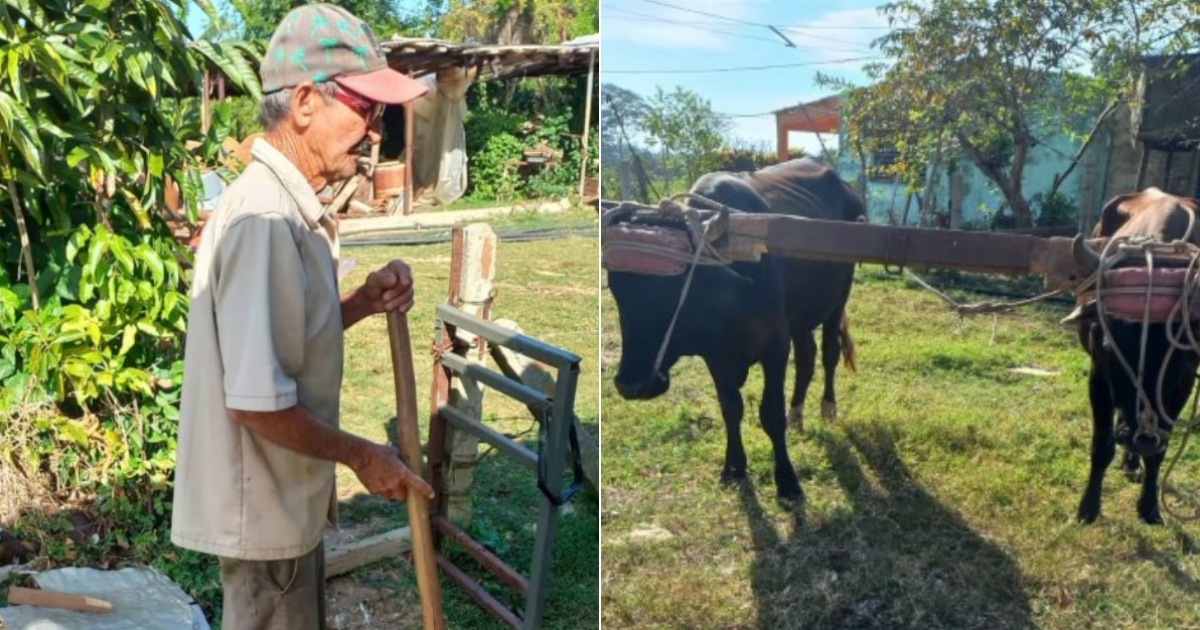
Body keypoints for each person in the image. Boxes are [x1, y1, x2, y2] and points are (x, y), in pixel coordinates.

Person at [170, 5, 433, 629]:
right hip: (266, 518)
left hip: (286, 503)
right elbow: (256, 401)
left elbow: (279, 342)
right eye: (366, 108)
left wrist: (362, 303)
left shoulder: (293, 210)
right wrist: (364, 456)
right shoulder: (266, 220)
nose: (375, 130)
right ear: (308, 101)